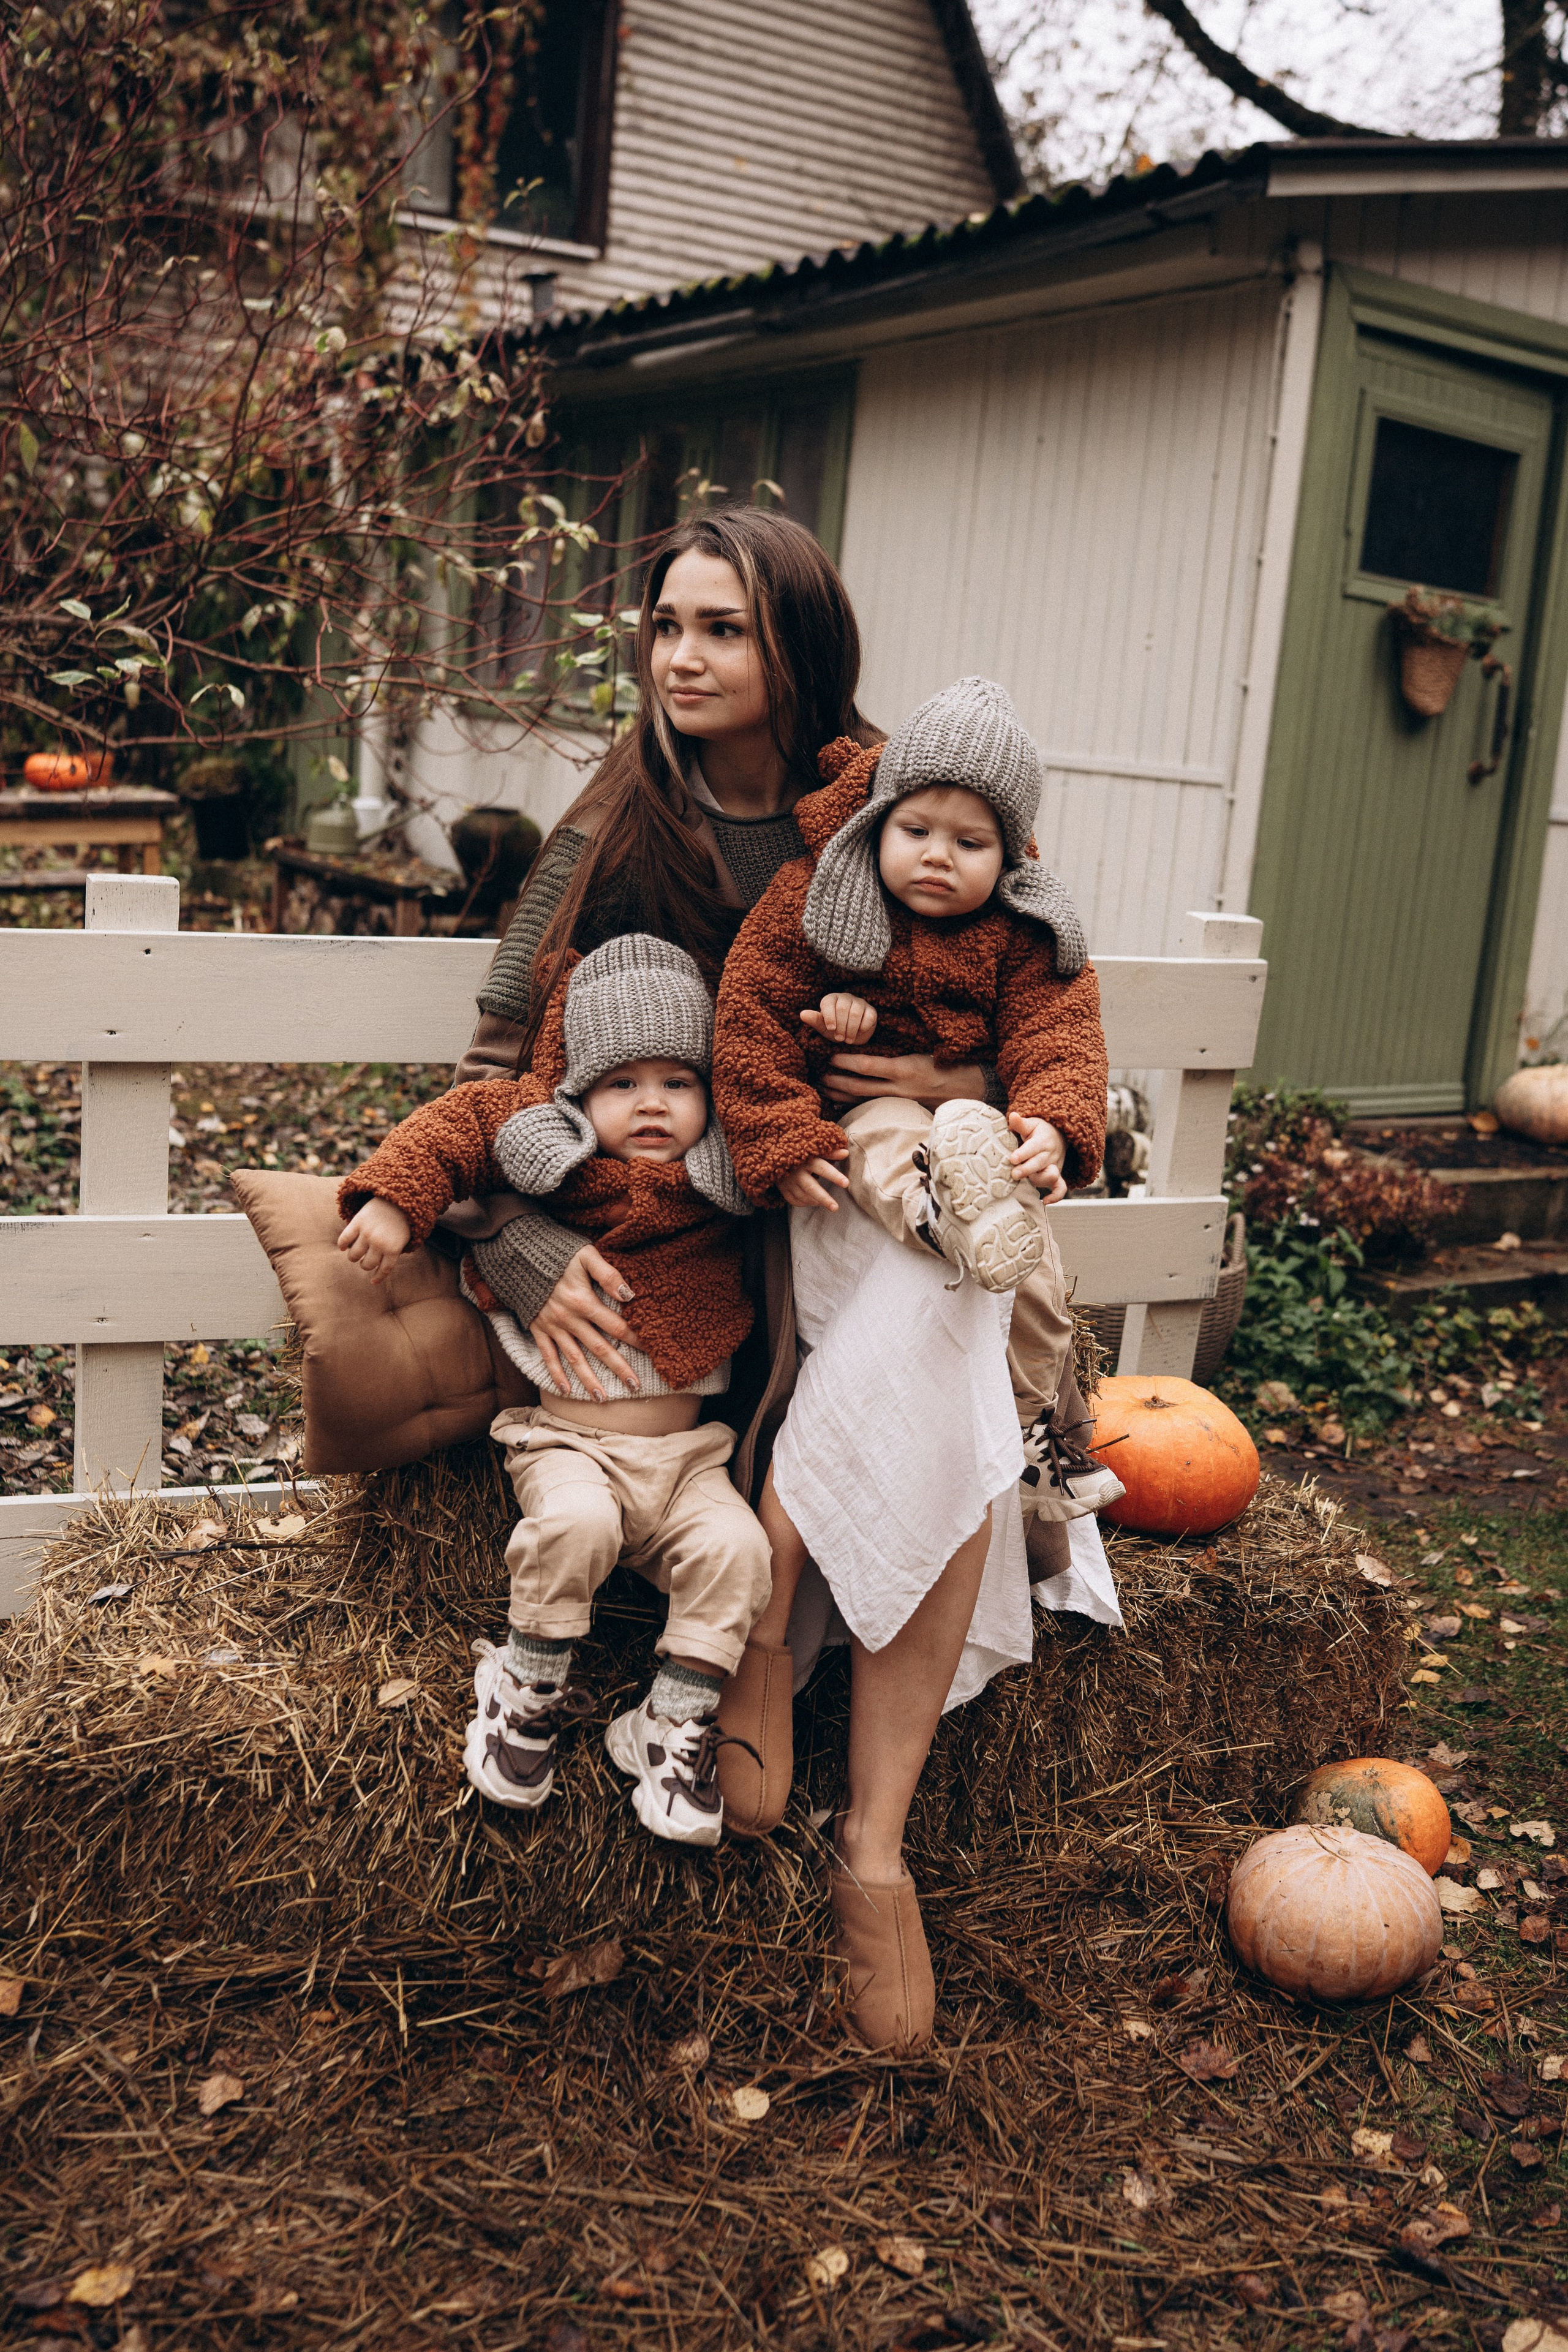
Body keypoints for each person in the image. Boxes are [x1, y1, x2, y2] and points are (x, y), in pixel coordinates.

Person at [447, 508, 1114, 2046]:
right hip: (728, 1232)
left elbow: (1056, 1021)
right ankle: (842, 1777)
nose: (682, 656)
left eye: (723, 628)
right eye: (666, 625)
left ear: (797, 646)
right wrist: (519, 1233)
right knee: (939, 1319)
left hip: (922, 1205)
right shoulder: (611, 834)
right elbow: (491, 1074)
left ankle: (846, 1795)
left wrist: (967, 1080)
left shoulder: (907, 792)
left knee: (946, 1316)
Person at [337, 934, 772, 1849]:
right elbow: (449, 1132)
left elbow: (795, 1126)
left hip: (691, 1460)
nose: (652, 1102)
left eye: (677, 1082)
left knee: (740, 1552)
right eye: (621, 1084)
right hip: (569, 1444)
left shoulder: (726, 1174)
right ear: (579, 1091)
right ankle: (525, 1687)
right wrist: (390, 1201)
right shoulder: (546, 1146)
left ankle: (671, 1722)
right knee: (576, 1529)